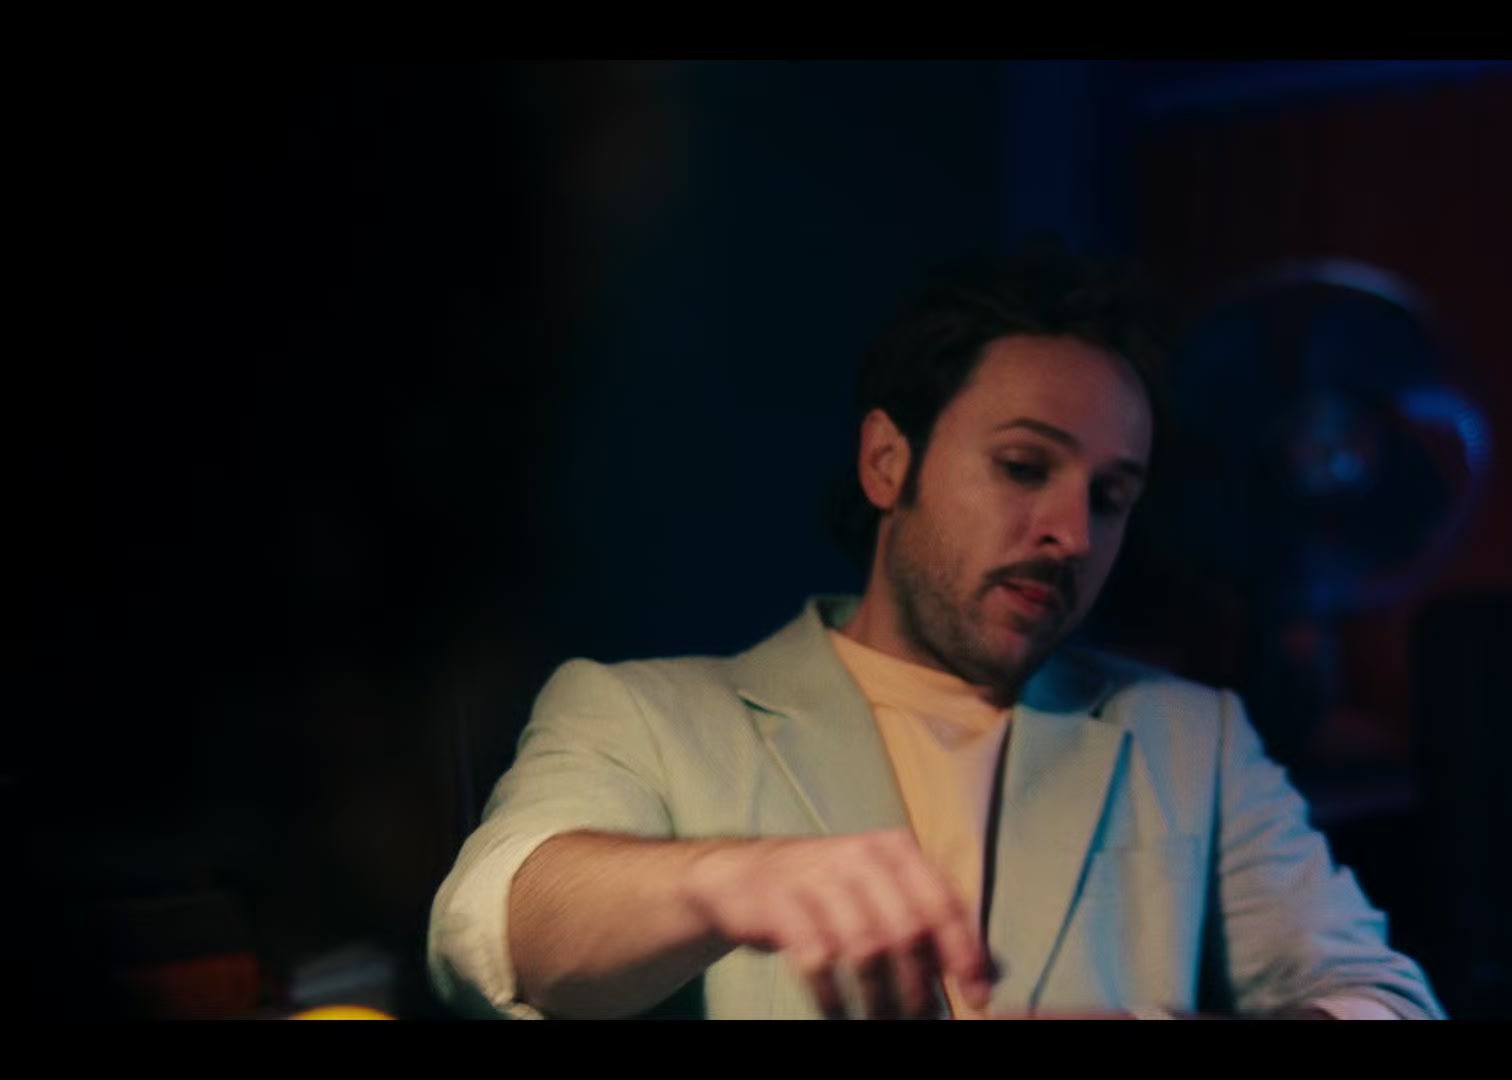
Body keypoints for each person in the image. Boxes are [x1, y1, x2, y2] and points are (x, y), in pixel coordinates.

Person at [427, 248, 1444, 1020]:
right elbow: (485, 930)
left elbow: (1384, 994)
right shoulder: (643, 713)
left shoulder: (1192, 739)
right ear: (887, 462)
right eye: (1023, 467)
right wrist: (733, 878)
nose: (1071, 531)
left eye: (1112, 496)